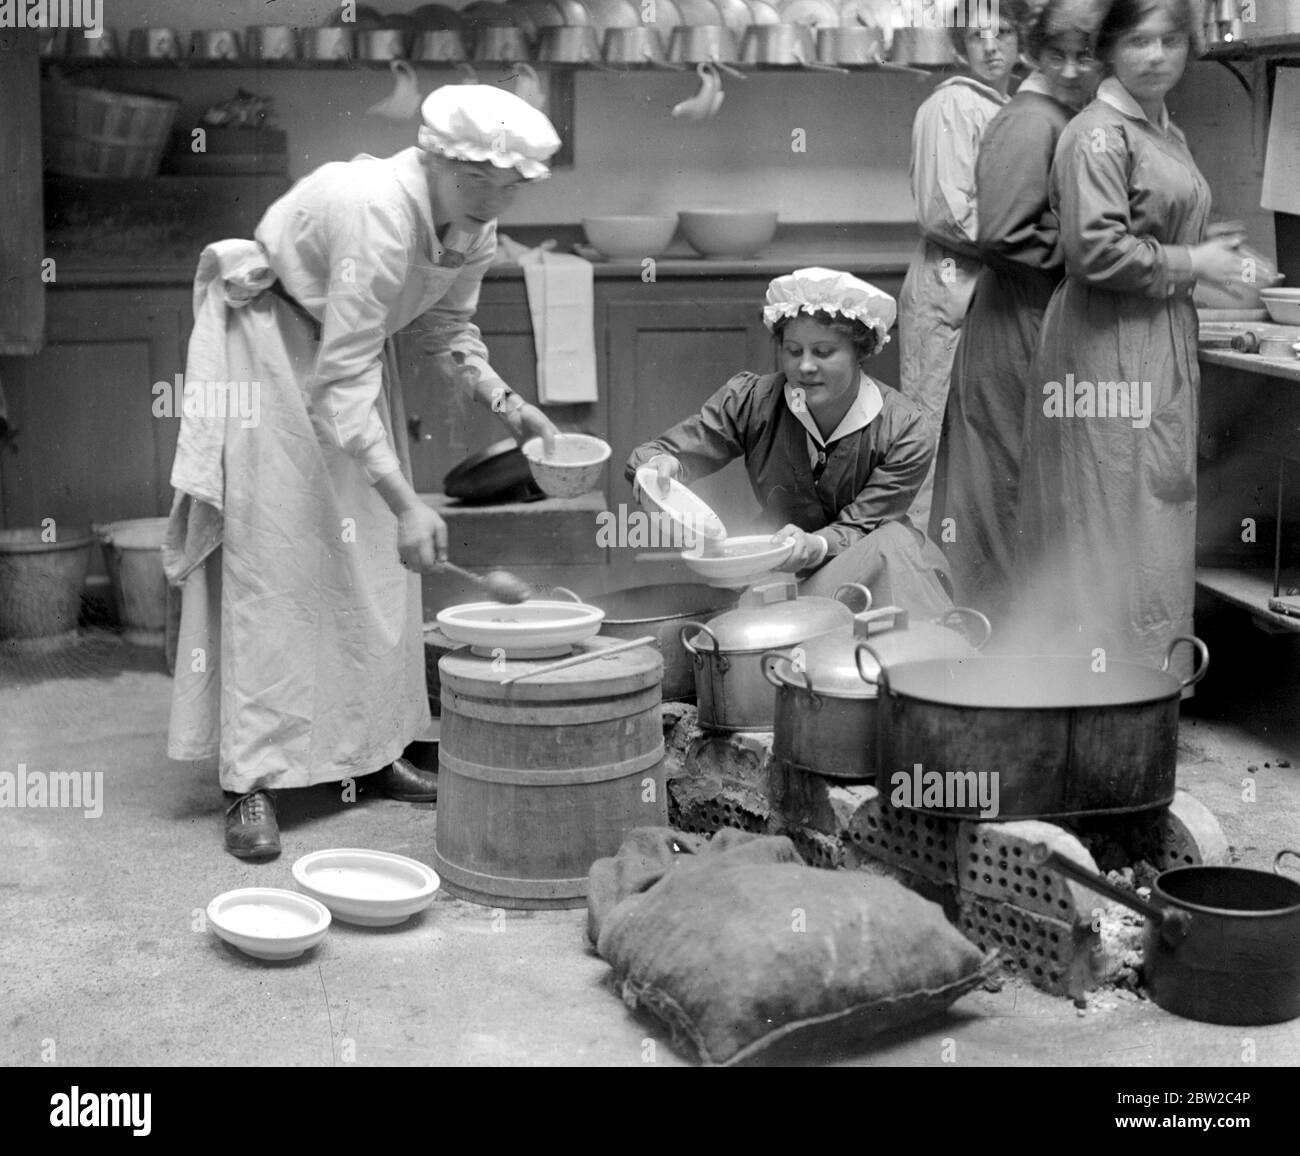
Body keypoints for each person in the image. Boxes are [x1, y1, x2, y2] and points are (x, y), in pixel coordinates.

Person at [164, 86, 563, 860]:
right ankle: (251, 780)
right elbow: (337, 391)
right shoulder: (375, 212)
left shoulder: (472, 228)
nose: (498, 202)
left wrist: (512, 407)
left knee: (377, 569)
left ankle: (376, 754)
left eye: (514, 188)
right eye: (485, 182)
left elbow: (449, 327)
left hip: (350, 356)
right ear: (440, 159)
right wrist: (408, 502)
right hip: (273, 346)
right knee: (277, 564)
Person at [1014, 0, 1277, 675]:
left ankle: (1149, 693)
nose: (1156, 56)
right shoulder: (1095, 134)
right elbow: (1094, 251)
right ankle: (1099, 693)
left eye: (1169, 41)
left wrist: (1228, 260)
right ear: (1108, 50)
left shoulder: (1165, 132)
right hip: (1104, 342)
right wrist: (1194, 264)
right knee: (1104, 509)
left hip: (1156, 337)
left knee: (1154, 502)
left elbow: (1167, 231)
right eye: (1138, 41)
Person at [626, 268, 954, 618]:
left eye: (824, 351)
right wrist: (662, 466)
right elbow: (667, 450)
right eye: (793, 350)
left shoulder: (904, 429)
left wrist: (815, 545)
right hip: (780, 567)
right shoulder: (753, 401)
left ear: (861, 351)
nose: (805, 366)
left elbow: (862, 527)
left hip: (882, 570)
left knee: (892, 557)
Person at [930, 0, 1104, 627]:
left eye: (1087, 55)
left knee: (1017, 488)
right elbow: (1004, 233)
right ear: (1035, 52)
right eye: (1061, 54)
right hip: (1018, 324)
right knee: (1003, 490)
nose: (1075, 68)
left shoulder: (1051, 113)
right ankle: (995, 659)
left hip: (1029, 319)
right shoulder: (1032, 119)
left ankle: (1009, 655)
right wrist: (1096, 251)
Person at [896, 0, 1025, 532]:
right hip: (951, 288)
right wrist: (1038, 246)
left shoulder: (1002, 105)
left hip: (982, 291)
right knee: (927, 445)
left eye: (1004, 32)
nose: (992, 46)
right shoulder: (952, 106)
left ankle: (964, 589)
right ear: (958, 46)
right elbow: (947, 215)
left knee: (977, 449)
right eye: (977, 36)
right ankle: (914, 586)